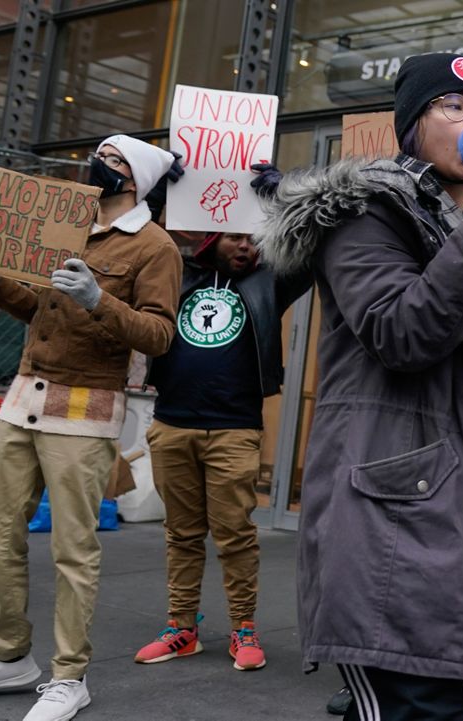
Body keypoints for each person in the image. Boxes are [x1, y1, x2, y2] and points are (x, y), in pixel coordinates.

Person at [253, 53, 463, 719]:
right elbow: (403, 333)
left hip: (437, 523)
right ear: (411, 125)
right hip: (388, 529)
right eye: (453, 106)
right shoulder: (366, 212)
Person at [0, 135, 182, 721]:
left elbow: (159, 336)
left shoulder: (155, 246)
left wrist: (100, 299)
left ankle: (70, 675)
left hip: (85, 409)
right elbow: (39, 308)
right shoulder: (65, 224)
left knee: (74, 550)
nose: (99, 165)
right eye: (99, 155)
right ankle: (10, 656)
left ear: (136, 178)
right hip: (23, 400)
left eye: (113, 159)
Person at [131, 232, 310, 670]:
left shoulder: (268, 282)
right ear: (211, 241)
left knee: (235, 536)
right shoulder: (176, 275)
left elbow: (308, 257)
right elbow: (146, 237)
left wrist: (278, 203)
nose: (247, 246)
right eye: (235, 238)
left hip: (234, 431)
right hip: (172, 425)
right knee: (182, 535)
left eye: (254, 239)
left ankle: (243, 628)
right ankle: (181, 628)